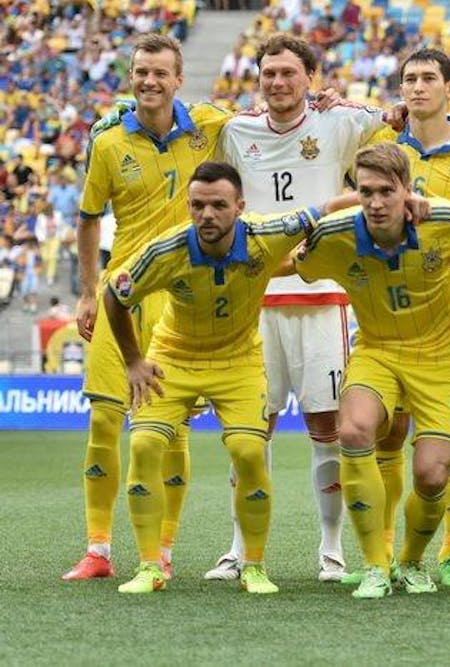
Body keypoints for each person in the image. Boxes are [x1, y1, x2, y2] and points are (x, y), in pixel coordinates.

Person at [206, 33, 384, 584]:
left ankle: (331, 550)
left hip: (321, 297)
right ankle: (239, 547)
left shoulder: (340, 123)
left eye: (288, 72)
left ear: (311, 76)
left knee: (325, 425)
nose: (278, 82)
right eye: (269, 73)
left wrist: (345, 103)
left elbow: (400, 135)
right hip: (254, 303)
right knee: (246, 428)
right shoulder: (236, 132)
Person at [103, 161, 327, 594]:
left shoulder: (268, 233)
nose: (207, 214)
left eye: (219, 205)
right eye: (198, 205)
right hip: (173, 357)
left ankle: (253, 566)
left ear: (240, 207)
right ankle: (150, 567)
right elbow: (115, 295)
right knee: (146, 445)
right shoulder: (165, 249)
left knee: (248, 451)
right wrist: (133, 360)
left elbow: (329, 206)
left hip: (237, 361)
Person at [64, 34, 230, 581]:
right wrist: (89, 291)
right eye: (141, 72)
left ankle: (162, 549)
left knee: (173, 425)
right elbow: (88, 220)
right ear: (130, 76)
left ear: (179, 78)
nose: (150, 81)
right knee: (104, 418)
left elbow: (274, 116)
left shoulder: (211, 126)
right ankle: (98, 549)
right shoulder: (109, 142)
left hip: (181, 296)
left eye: (160, 72)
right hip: (121, 293)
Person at [293, 142, 450, 599]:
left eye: (386, 191)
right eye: (366, 192)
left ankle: (413, 562)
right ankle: (376, 565)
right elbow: (292, 262)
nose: (376, 203)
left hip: (440, 360)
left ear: (407, 190)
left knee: (433, 475)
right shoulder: (336, 235)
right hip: (377, 351)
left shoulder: (445, 221)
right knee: (355, 431)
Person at [341, 48, 450, 588]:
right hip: (388, 308)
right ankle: (381, 554)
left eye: (429, 78)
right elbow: (354, 201)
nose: (417, 87)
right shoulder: (381, 147)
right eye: (408, 78)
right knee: (385, 433)